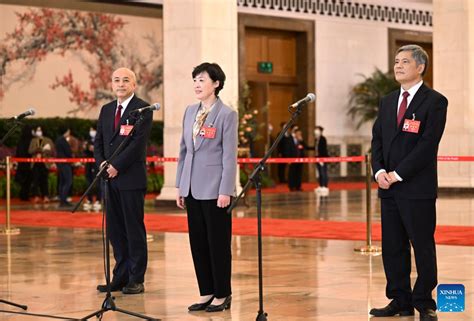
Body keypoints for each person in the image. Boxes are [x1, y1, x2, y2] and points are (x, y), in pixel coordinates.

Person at [370, 45, 448, 321]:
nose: (398, 66)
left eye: (405, 61)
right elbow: (377, 139)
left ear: (420, 67)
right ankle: (399, 300)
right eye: (396, 61)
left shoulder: (435, 101)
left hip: (416, 188)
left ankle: (424, 301)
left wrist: (398, 174)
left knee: (422, 244)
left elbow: (427, 145)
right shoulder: (388, 101)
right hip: (388, 189)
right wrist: (379, 172)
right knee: (393, 246)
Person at [175, 62, 237, 313]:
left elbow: (229, 156)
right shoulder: (190, 111)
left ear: (216, 84)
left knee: (217, 243)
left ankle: (223, 294)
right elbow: (183, 150)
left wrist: (226, 190)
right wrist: (180, 185)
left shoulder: (226, 115)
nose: (197, 84)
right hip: (191, 187)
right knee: (198, 242)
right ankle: (206, 291)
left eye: (202, 80)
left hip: (215, 190)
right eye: (194, 80)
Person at [94, 67, 153, 295]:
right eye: (116, 80)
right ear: (111, 84)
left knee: (133, 229)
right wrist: (102, 164)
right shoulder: (107, 109)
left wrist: (116, 166)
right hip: (108, 180)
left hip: (130, 179)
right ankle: (120, 276)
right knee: (115, 230)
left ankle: (136, 278)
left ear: (134, 85)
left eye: (125, 80)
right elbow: (99, 142)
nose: (120, 84)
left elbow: (137, 145)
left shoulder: (143, 109)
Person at [28, 126, 55, 203]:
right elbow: (29, 151)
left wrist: (43, 152)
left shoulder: (48, 140)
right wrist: (37, 150)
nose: (38, 131)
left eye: (40, 130)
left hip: (44, 163)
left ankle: (45, 196)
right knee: (35, 180)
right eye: (37, 130)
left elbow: (51, 151)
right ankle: (36, 196)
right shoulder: (33, 140)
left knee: (44, 180)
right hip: (35, 163)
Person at [83, 126, 101, 211]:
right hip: (88, 165)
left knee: (97, 182)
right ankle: (89, 200)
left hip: (97, 164)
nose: (91, 132)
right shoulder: (87, 141)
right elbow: (84, 152)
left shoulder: (100, 138)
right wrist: (86, 148)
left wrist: (95, 149)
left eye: (92, 130)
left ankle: (98, 200)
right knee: (88, 182)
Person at [55, 127, 73, 208]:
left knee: (62, 182)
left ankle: (62, 199)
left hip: (60, 163)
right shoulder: (63, 141)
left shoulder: (58, 140)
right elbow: (68, 152)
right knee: (68, 181)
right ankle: (63, 200)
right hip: (65, 163)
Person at [14, 125, 33, 201]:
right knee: (28, 181)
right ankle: (26, 195)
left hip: (21, 164)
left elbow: (18, 152)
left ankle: (22, 195)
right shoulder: (31, 140)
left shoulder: (20, 140)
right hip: (28, 163)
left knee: (23, 181)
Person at [314, 126, 329, 195]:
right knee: (319, 172)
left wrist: (322, 159)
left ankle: (325, 186)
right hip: (317, 158)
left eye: (317, 130)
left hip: (322, 158)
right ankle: (320, 185)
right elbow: (315, 148)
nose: (316, 131)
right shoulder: (316, 139)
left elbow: (324, 149)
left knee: (324, 172)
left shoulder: (323, 139)